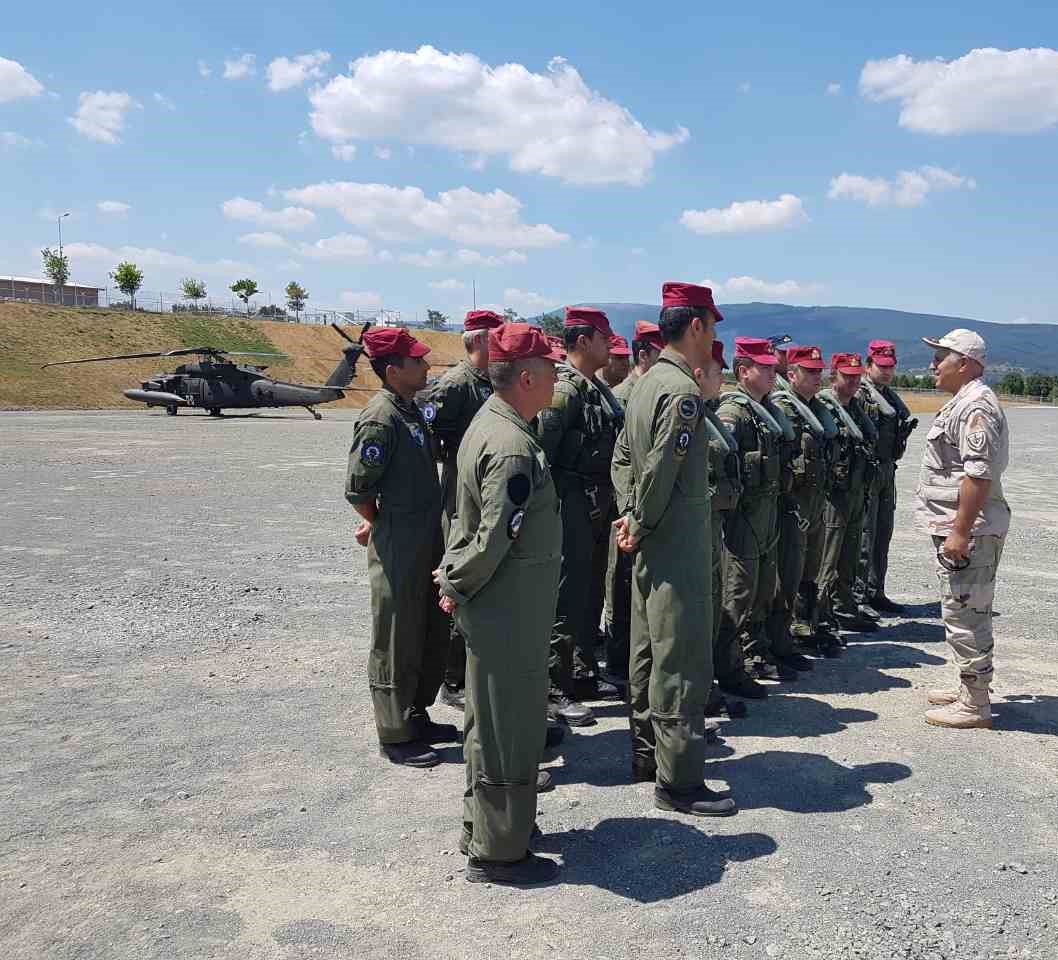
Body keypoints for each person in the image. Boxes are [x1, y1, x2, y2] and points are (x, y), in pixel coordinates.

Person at [435, 323, 565, 884]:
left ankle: (486, 829)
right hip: (508, 610)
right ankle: (499, 852)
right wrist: (456, 583)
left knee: (488, 725)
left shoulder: (497, 424)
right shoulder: (511, 444)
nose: (557, 378)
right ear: (528, 377)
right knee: (508, 728)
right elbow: (494, 537)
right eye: (551, 369)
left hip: (507, 607)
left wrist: (455, 578)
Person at [615, 281, 736, 817]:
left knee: (647, 651)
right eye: (711, 329)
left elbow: (625, 458)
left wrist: (630, 515)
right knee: (682, 659)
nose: (712, 341)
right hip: (676, 542)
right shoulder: (683, 391)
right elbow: (664, 467)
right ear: (696, 327)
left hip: (650, 538)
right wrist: (640, 520)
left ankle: (647, 755)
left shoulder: (645, 383)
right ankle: (680, 780)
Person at [345, 327, 455, 768]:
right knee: (396, 635)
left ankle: (415, 713)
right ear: (393, 370)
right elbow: (358, 489)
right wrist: (382, 524)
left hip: (425, 538)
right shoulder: (380, 417)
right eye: (417, 361)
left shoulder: (408, 410)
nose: (426, 366)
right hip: (399, 543)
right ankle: (394, 732)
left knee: (427, 629)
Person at [916, 329, 1010, 729]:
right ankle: (968, 685)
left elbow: (978, 475)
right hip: (963, 526)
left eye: (941, 357)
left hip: (970, 530)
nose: (933, 365)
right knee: (960, 608)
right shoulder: (963, 401)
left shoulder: (976, 407)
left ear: (966, 364)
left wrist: (960, 531)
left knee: (967, 614)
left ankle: (975, 704)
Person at [538, 306, 622, 725]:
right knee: (566, 596)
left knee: (590, 592)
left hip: (594, 503)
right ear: (584, 341)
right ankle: (554, 687)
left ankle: (583, 672)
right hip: (570, 502)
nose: (611, 345)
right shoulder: (565, 390)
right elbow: (542, 451)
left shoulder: (595, 388)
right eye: (604, 338)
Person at [418, 309, 504, 710]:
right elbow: (429, 437)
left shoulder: (490, 381)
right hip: (460, 496)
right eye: (496, 335)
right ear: (480, 340)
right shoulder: (456, 385)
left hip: (486, 493)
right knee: (460, 575)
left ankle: (475, 668)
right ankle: (453, 679)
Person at [716, 338, 799, 685]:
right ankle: (727, 666)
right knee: (738, 591)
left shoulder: (765, 411)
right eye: (763, 367)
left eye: (772, 367)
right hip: (744, 516)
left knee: (764, 589)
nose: (771, 373)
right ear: (742, 371)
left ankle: (756, 654)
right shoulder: (733, 413)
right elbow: (720, 465)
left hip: (767, 512)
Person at [603, 320, 664, 691]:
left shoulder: (655, 392)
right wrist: (629, 507)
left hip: (647, 508)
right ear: (644, 355)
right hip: (626, 506)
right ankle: (618, 661)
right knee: (622, 584)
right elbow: (621, 458)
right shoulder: (625, 396)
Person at [777, 347, 842, 657]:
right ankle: (783, 631)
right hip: (794, 502)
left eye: (819, 371)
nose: (818, 376)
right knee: (789, 567)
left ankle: (805, 623)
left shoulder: (818, 408)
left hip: (816, 500)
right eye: (810, 371)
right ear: (792, 375)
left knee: (811, 567)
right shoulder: (783, 408)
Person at [698, 340, 751, 716]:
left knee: (713, 602)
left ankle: (706, 688)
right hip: (691, 525)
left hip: (710, 519)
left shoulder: (708, 411)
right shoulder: (686, 411)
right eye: (718, 372)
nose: (723, 379)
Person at [818, 353, 879, 636]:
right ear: (834, 376)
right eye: (847, 376)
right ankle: (819, 615)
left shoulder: (855, 408)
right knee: (827, 559)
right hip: (833, 496)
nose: (854, 381)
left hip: (856, 491)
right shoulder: (823, 407)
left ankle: (843, 609)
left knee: (850, 556)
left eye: (856, 376)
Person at [856, 340, 918, 615]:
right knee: (864, 535)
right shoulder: (860, 395)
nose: (887, 371)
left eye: (890, 367)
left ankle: (876, 590)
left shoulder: (889, 398)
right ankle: (858, 596)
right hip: (866, 473)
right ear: (868, 366)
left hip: (887, 470)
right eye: (881, 366)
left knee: (883, 534)